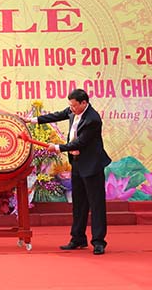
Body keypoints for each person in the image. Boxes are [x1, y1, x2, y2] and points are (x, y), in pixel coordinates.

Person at [22, 89, 111, 255]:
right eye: (70, 105)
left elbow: (80, 143)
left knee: (96, 205)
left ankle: (99, 242)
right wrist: (32, 120)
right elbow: (56, 115)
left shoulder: (92, 119)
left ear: (84, 103)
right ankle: (78, 238)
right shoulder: (72, 110)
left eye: (74, 106)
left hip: (92, 165)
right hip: (77, 163)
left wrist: (57, 147)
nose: (71, 108)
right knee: (78, 203)